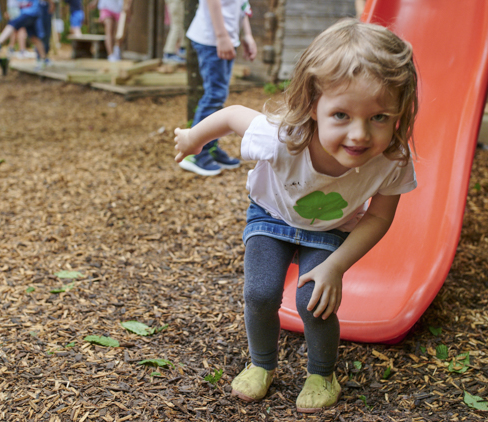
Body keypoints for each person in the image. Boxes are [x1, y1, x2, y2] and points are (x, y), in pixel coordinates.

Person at [173, 20, 419, 413]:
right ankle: (261, 364)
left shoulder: (391, 160)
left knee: (313, 301)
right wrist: (193, 137)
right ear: (312, 106)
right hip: (272, 216)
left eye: (379, 118)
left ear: (399, 113)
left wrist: (336, 266)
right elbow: (234, 114)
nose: (359, 135)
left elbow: (378, 217)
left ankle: (322, 373)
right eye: (341, 114)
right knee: (260, 293)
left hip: (331, 228)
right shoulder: (283, 137)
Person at [179, 0, 256, 176]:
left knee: (218, 96)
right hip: (211, 39)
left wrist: (247, 35)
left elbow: (242, 4)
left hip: (226, 38)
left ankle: (209, 146)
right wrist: (221, 37)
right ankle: (194, 152)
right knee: (214, 95)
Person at [0, 0, 48, 70]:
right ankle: (43, 60)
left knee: (13, 23)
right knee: (34, 37)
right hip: (28, 12)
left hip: (30, 12)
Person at [162, 0, 185, 64]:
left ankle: (181, 49)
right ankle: (169, 53)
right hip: (176, 2)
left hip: (175, 2)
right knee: (176, 26)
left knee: (180, 25)